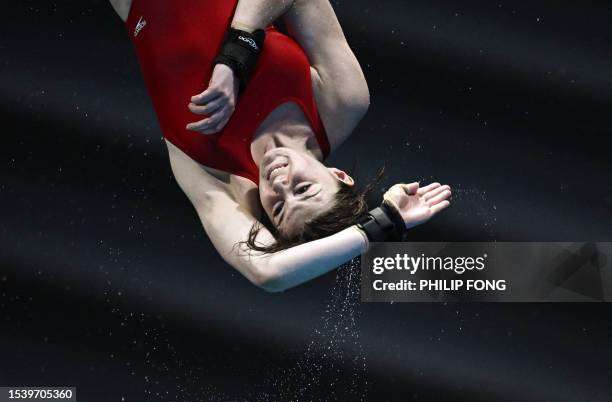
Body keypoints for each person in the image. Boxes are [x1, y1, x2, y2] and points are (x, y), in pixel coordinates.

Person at [109, 0, 452, 292]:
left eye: (277, 209)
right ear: (339, 175)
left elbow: (269, 272)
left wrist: (379, 227)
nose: (279, 185)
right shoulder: (342, 101)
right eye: (302, 189)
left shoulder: (217, 183)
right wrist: (234, 58)